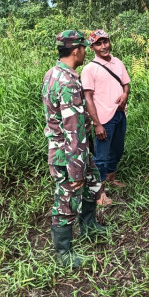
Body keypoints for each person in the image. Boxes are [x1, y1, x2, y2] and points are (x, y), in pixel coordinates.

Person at [42, 30, 106, 268]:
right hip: (68, 153)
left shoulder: (54, 73)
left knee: (93, 183)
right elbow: (73, 130)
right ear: (77, 49)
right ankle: (64, 252)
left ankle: (88, 226)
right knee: (66, 200)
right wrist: (75, 169)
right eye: (83, 48)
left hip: (76, 151)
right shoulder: (67, 82)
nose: (85, 52)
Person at [81, 30, 130, 206]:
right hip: (103, 119)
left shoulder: (118, 62)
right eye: (99, 44)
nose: (104, 46)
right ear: (92, 47)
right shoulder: (89, 69)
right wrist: (97, 124)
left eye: (106, 42)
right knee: (101, 156)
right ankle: (99, 193)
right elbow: (88, 97)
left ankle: (111, 178)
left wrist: (125, 95)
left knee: (117, 149)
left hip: (119, 114)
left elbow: (126, 84)